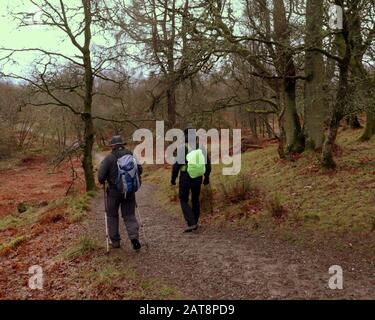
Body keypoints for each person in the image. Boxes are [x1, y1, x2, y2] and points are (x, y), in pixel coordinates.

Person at [98, 135, 142, 251]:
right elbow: (140, 170)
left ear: (112, 146)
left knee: (112, 215)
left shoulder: (109, 158)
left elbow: (101, 178)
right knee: (129, 215)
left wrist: (106, 178)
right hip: (129, 191)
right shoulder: (132, 155)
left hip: (114, 193)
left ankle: (115, 242)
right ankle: (134, 238)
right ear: (123, 144)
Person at [171, 125, 211, 233]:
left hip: (185, 177)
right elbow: (207, 164)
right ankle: (195, 221)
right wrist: (206, 177)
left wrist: (173, 178)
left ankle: (192, 223)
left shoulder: (182, 148)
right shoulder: (201, 148)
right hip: (198, 177)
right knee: (195, 199)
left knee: (183, 199)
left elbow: (176, 166)